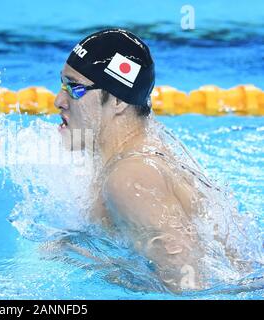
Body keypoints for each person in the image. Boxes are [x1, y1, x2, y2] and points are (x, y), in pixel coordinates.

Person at [54, 28, 207, 292]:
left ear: (116, 101)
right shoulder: (129, 158)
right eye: (62, 85)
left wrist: (89, 262)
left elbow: (191, 287)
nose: (58, 100)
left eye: (75, 88)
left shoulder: (129, 179)